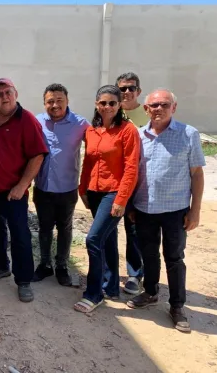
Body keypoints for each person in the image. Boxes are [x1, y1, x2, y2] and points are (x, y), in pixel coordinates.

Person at [127, 89, 205, 333]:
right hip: (144, 209)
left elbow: (197, 174)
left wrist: (195, 211)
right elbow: (132, 173)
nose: (158, 109)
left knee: (174, 258)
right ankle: (150, 292)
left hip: (175, 210)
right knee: (149, 255)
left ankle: (177, 305)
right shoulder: (138, 136)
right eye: (153, 105)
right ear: (146, 109)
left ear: (174, 107)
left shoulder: (187, 134)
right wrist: (130, 205)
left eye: (164, 104)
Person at [0, 78, 48, 303]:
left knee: (20, 234)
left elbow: (37, 155)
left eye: (7, 92)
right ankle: (1, 266)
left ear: (15, 94)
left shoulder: (27, 120)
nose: (4, 97)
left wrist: (22, 185)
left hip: (12, 192)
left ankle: (23, 280)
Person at [73, 85, 140, 313]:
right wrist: (83, 190)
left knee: (93, 239)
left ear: (119, 105)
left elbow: (131, 168)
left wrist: (122, 199)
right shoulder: (92, 131)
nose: (107, 107)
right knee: (108, 239)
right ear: (96, 104)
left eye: (112, 103)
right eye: (103, 102)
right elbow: (88, 163)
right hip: (94, 192)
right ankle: (111, 286)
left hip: (114, 193)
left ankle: (94, 293)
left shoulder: (128, 131)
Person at [32, 83, 89, 286]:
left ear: (67, 101)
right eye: (50, 101)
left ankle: (62, 266)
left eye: (59, 100)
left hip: (67, 188)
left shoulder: (81, 124)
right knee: (45, 227)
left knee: (65, 228)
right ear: (44, 103)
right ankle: (45, 265)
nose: (55, 105)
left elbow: (96, 149)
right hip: (43, 187)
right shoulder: (37, 122)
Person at [114, 72, 148, 295]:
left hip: (137, 183)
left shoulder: (148, 115)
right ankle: (109, 272)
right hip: (111, 183)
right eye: (123, 88)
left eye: (131, 88)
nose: (127, 92)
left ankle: (135, 275)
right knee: (107, 230)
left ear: (139, 91)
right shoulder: (110, 111)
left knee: (134, 230)